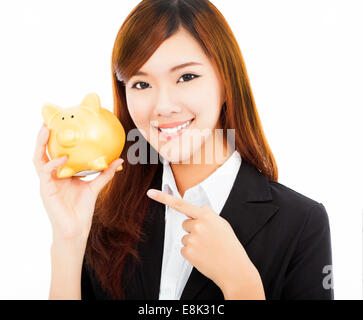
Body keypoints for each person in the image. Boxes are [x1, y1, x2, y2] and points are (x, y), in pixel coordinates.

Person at [33, 0, 334, 300]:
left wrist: (242, 286)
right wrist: (68, 241)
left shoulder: (302, 223)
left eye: (186, 77)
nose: (163, 106)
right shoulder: (106, 213)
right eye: (141, 84)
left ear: (226, 81)